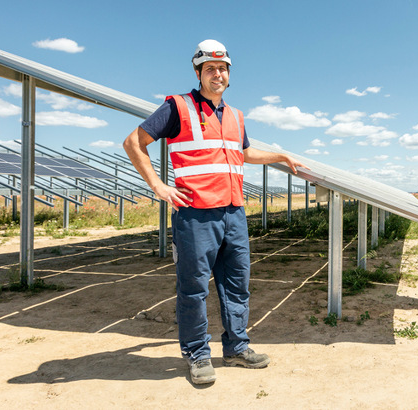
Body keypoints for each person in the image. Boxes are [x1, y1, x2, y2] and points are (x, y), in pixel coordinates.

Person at [123, 39, 306, 384]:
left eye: (222, 69)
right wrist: (158, 186)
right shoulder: (177, 107)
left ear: (229, 73)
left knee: (237, 285)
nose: (217, 74)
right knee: (193, 287)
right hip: (195, 215)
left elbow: (245, 154)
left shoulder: (236, 116)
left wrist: (281, 156)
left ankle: (236, 347)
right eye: (210, 69)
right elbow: (134, 142)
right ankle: (197, 353)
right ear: (198, 72)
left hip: (234, 213)